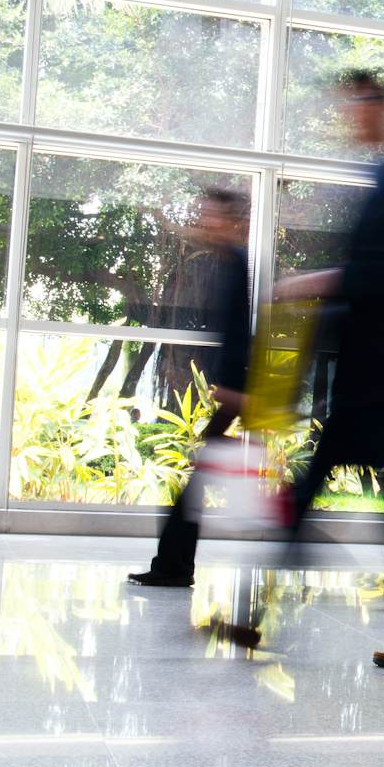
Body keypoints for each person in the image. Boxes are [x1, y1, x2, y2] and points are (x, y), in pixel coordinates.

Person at [255, 69, 384, 668]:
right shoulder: (375, 181)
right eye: (349, 102)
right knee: (355, 501)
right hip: (365, 372)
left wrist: (311, 282)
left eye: (363, 101)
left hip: (374, 374)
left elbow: (383, 277)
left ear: (383, 109)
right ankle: (263, 619)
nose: (353, 112)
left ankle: (264, 620)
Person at [127, 188, 252, 588]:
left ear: (232, 222)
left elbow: (239, 332)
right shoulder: (226, 262)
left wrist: (232, 387)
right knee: (198, 481)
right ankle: (175, 565)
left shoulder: (236, 264)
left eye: (211, 214)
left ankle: (173, 566)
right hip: (231, 388)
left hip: (235, 391)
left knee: (197, 481)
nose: (203, 221)